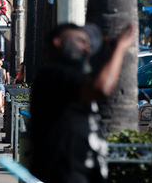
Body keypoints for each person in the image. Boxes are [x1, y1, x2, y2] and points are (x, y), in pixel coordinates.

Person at [30, 23, 136, 183]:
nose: (86, 47)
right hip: (63, 173)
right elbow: (101, 89)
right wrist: (120, 48)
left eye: (88, 44)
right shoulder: (54, 73)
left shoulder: (72, 74)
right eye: (80, 41)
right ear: (58, 42)